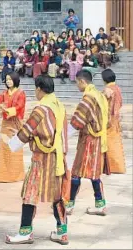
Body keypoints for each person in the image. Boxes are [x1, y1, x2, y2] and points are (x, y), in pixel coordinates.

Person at [3, 75, 69, 245]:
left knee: (29, 193)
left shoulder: (41, 109)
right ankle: (62, 232)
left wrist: (11, 142)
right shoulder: (60, 106)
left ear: (39, 89)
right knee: (57, 196)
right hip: (58, 158)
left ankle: (25, 232)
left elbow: (27, 131)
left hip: (42, 159)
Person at [66, 70, 109, 216]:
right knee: (94, 172)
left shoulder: (88, 98)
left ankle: (69, 204)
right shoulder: (99, 95)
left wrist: (62, 137)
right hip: (98, 138)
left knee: (77, 171)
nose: (77, 85)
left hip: (88, 139)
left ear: (82, 81)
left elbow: (77, 121)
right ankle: (100, 203)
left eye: (77, 82)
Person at [0, 72, 26, 183]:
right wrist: (0, 107)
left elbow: (19, 106)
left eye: (10, 79)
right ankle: (4, 174)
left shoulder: (21, 93)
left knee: (15, 147)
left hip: (16, 123)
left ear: (15, 80)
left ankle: (16, 174)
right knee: (5, 148)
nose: (8, 81)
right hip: (5, 123)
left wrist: (6, 109)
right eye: (7, 79)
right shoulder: (3, 93)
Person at [102, 69, 126, 174]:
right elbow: (120, 103)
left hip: (108, 121)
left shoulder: (108, 89)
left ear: (105, 79)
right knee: (116, 143)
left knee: (107, 143)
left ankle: (109, 167)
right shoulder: (117, 88)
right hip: (115, 120)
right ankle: (118, 167)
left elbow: (103, 104)